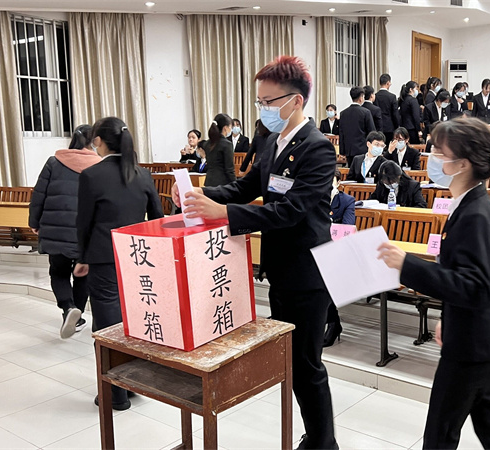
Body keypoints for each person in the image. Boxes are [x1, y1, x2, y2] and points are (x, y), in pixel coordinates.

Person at [174, 56, 339, 449]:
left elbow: (292, 210)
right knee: (292, 363)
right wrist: (205, 195)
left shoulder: (318, 149)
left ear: (295, 101)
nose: (262, 109)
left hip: (309, 273)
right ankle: (315, 437)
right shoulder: (270, 142)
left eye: (268, 101)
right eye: (259, 102)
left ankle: (323, 442)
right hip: (280, 269)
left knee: (307, 365)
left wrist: (226, 214)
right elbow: (246, 187)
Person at [377, 117, 490, 449]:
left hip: (473, 346)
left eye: (439, 152)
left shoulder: (476, 214)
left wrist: (406, 265)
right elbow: (468, 278)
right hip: (482, 337)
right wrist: (447, 316)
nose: (432, 158)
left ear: (462, 163)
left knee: (440, 436)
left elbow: (475, 285)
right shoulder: (467, 205)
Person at [75, 117, 164, 410]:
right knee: (134, 323)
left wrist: (82, 258)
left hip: (103, 259)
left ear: (98, 141)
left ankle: (116, 394)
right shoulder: (141, 174)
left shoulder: (92, 175)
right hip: (138, 259)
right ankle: (133, 383)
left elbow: (84, 223)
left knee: (108, 326)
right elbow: (158, 218)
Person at [29, 125, 100, 339]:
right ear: (93, 142)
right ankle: (76, 314)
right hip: (86, 232)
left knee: (58, 273)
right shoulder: (98, 165)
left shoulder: (54, 161)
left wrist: (34, 222)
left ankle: (69, 308)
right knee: (82, 274)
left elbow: (38, 194)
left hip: (55, 228)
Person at [323, 169, 355, 348]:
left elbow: (348, 227)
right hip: (316, 246)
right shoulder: (314, 195)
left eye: (331, 180)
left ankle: (333, 322)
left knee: (324, 278)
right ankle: (333, 322)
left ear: (338, 183)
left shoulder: (346, 200)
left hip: (338, 250)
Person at [339, 86, 376, 166]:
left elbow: (341, 133)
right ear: (361, 98)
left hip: (349, 150)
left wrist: (342, 151)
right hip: (362, 150)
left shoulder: (343, 113)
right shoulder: (366, 112)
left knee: (351, 172)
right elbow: (372, 132)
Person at [203, 113, 236, 187]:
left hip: (209, 182)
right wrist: (236, 185)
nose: (231, 129)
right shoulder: (227, 144)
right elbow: (229, 169)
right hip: (223, 184)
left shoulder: (207, 143)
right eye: (230, 127)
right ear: (225, 128)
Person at [374, 74, 400, 143]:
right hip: (390, 127)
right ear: (388, 83)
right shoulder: (392, 97)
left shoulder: (375, 96)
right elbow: (395, 113)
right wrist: (397, 126)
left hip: (377, 127)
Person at [399, 80, 422, 145]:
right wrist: (419, 129)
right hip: (412, 129)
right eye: (416, 89)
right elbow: (416, 116)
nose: (417, 91)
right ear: (411, 89)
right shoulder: (413, 100)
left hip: (404, 127)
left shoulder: (402, 99)